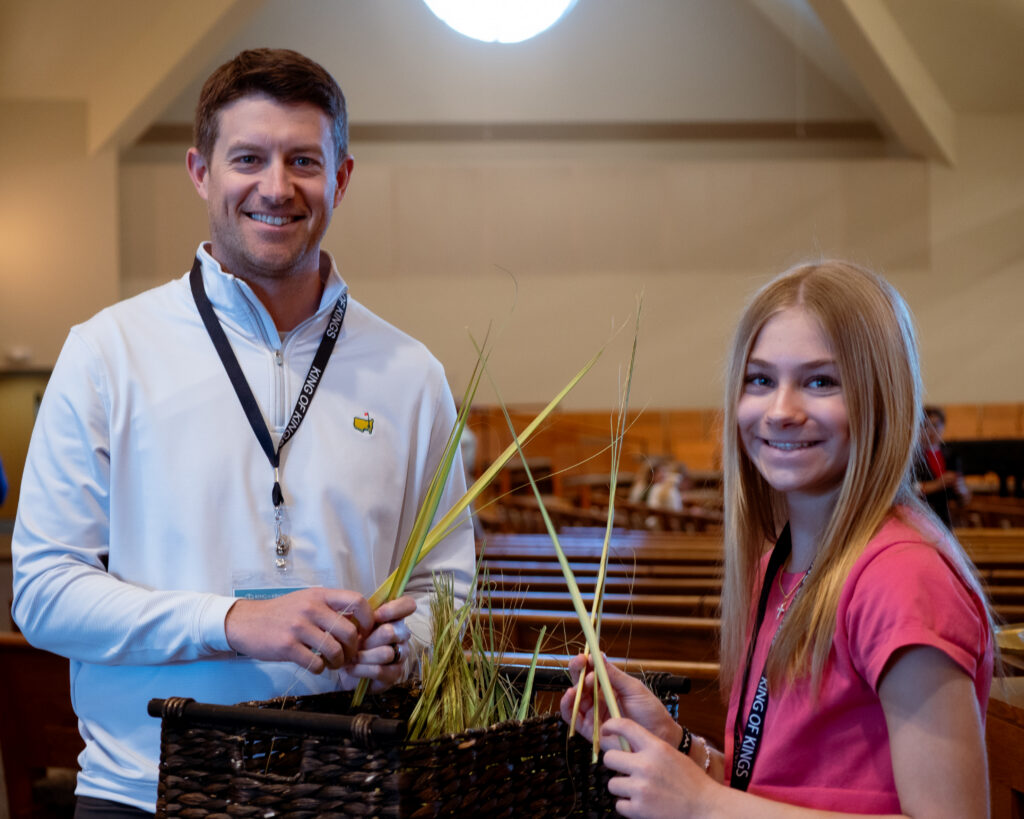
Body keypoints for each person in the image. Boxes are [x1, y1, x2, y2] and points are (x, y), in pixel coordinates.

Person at [11, 48, 474, 816]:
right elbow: (44, 591)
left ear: (342, 177)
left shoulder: (410, 371)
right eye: (248, 158)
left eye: (303, 160)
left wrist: (411, 640)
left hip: (347, 792)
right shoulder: (107, 352)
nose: (276, 186)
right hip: (145, 792)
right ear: (200, 170)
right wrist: (231, 622)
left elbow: (448, 588)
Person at [562, 261, 994, 817]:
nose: (781, 411)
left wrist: (705, 807)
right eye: (760, 379)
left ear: (881, 396)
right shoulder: (781, 561)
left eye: (821, 381)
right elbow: (784, 794)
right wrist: (680, 748)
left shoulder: (901, 577)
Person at [915, 405, 971, 528]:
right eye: (925, 426)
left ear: (943, 427)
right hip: (922, 517)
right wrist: (939, 484)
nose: (931, 431)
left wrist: (962, 491)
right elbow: (910, 490)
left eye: (935, 425)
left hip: (947, 519)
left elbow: (964, 500)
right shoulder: (913, 457)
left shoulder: (951, 456)